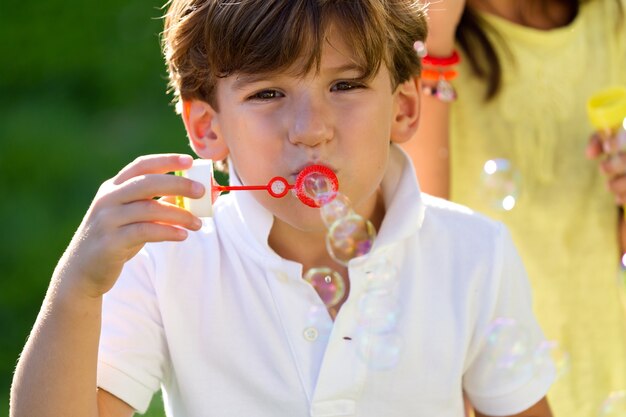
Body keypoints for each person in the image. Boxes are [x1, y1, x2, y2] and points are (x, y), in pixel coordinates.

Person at [10, 1, 555, 416]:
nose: (311, 129)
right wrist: (79, 288)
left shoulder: (473, 253)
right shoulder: (165, 257)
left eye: (345, 84)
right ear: (208, 127)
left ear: (405, 107)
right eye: (268, 94)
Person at [402, 1, 626, 417]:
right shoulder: (414, 45)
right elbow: (420, 221)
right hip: (500, 390)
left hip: (606, 370)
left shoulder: (614, 22)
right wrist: (434, 33)